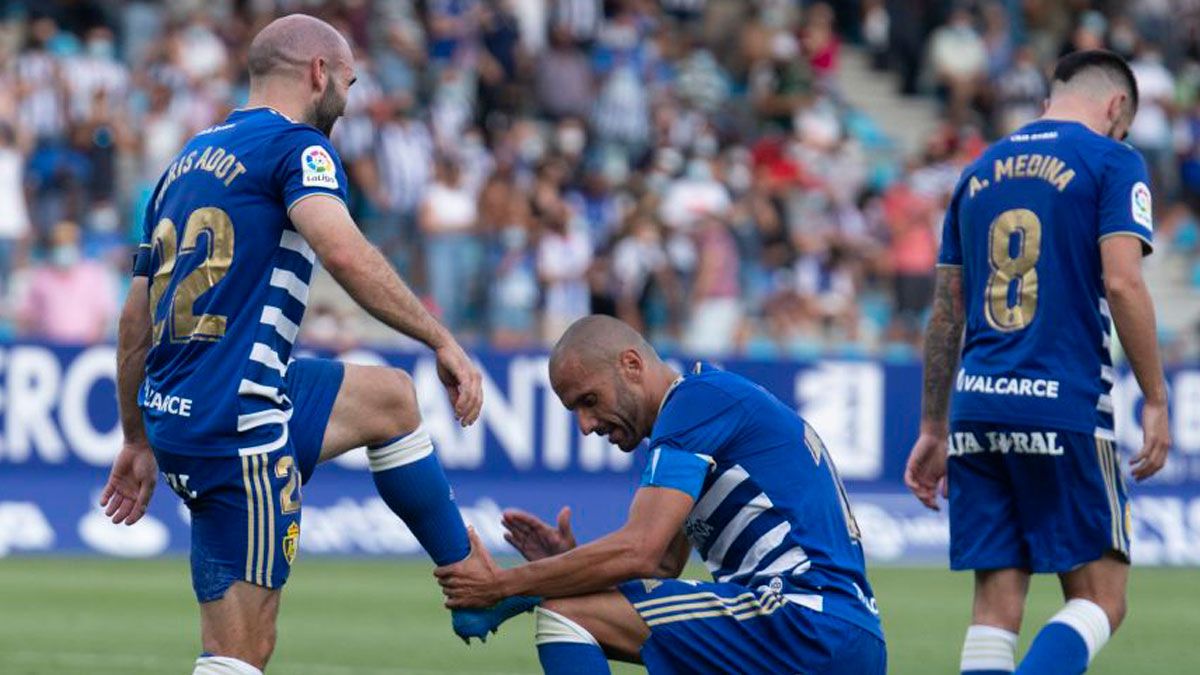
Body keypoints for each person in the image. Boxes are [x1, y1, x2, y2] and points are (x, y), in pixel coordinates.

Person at [97, 15, 533, 675]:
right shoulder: (299, 148)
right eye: (350, 84)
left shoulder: (183, 165)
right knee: (241, 651)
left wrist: (134, 437)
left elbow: (136, 318)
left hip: (185, 405)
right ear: (320, 73)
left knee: (390, 399)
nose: (349, 102)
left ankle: (470, 584)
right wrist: (440, 336)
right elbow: (343, 251)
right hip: (238, 424)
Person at [905, 50, 1172, 675]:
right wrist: (1155, 397)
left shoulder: (977, 173)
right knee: (1103, 599)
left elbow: (947, 311)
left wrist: (933, 426)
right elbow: (1124, 283)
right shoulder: (1114, 160)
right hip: (1063, 404)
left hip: (976, 410)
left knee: (995, 608)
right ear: (1117, 108)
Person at [435, 315, 887, 674]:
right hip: (841, 634)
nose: (585, 425)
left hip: (801, 621)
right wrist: (569, 565)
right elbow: (666, 564)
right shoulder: (708, 407)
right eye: (574, 410)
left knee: (567, 614)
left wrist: (504, 588)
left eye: (589, 400)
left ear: (632, 365)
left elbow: (641, 551)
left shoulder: (692, 406)